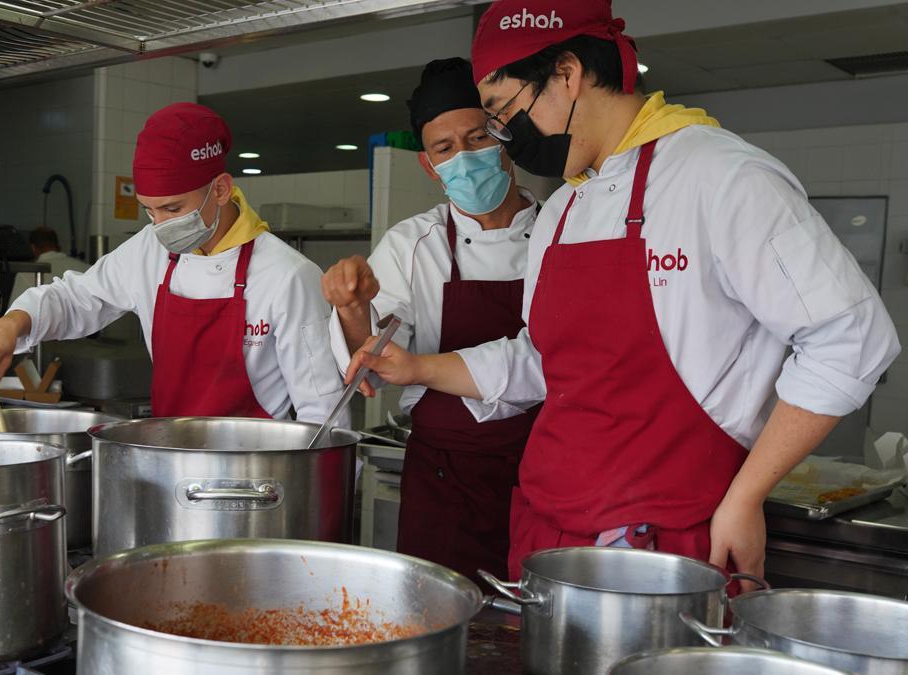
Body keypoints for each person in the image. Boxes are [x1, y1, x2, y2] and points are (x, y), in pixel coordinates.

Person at [346, 0, 900, 584]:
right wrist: (419, 368)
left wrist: (746, 495)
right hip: (546, 524)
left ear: (566, 74)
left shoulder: (718, 176)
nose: (506, 137)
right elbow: (542, 360)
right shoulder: (564, 208)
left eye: (503, 112)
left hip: (666, 540)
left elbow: (852, 337)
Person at [0, 103, 347, 425]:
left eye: (173, 208)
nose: (161, 227)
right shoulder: (150, 249)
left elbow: (323, 413)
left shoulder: (288, 276)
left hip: (254, 485)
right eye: (150, 211)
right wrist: (10, 325)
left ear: (221, 189)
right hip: (167, 466)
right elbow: (77, 298)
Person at [321, 57, 539, 588]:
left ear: (504, 136)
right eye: (445, 149)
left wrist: (420, 367)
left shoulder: (561, 229)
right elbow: (370, 369)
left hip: (543, 472)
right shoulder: (411, 244)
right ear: (429, 164)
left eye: (477, 138)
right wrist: (352, 309)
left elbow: (562, 355)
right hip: (445, 480)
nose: (463, 157)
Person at [9, 226, 90, 304]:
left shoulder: (26, 274)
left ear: (33, 247)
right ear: (57, 245)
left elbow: (13, 313)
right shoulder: (88, 269)